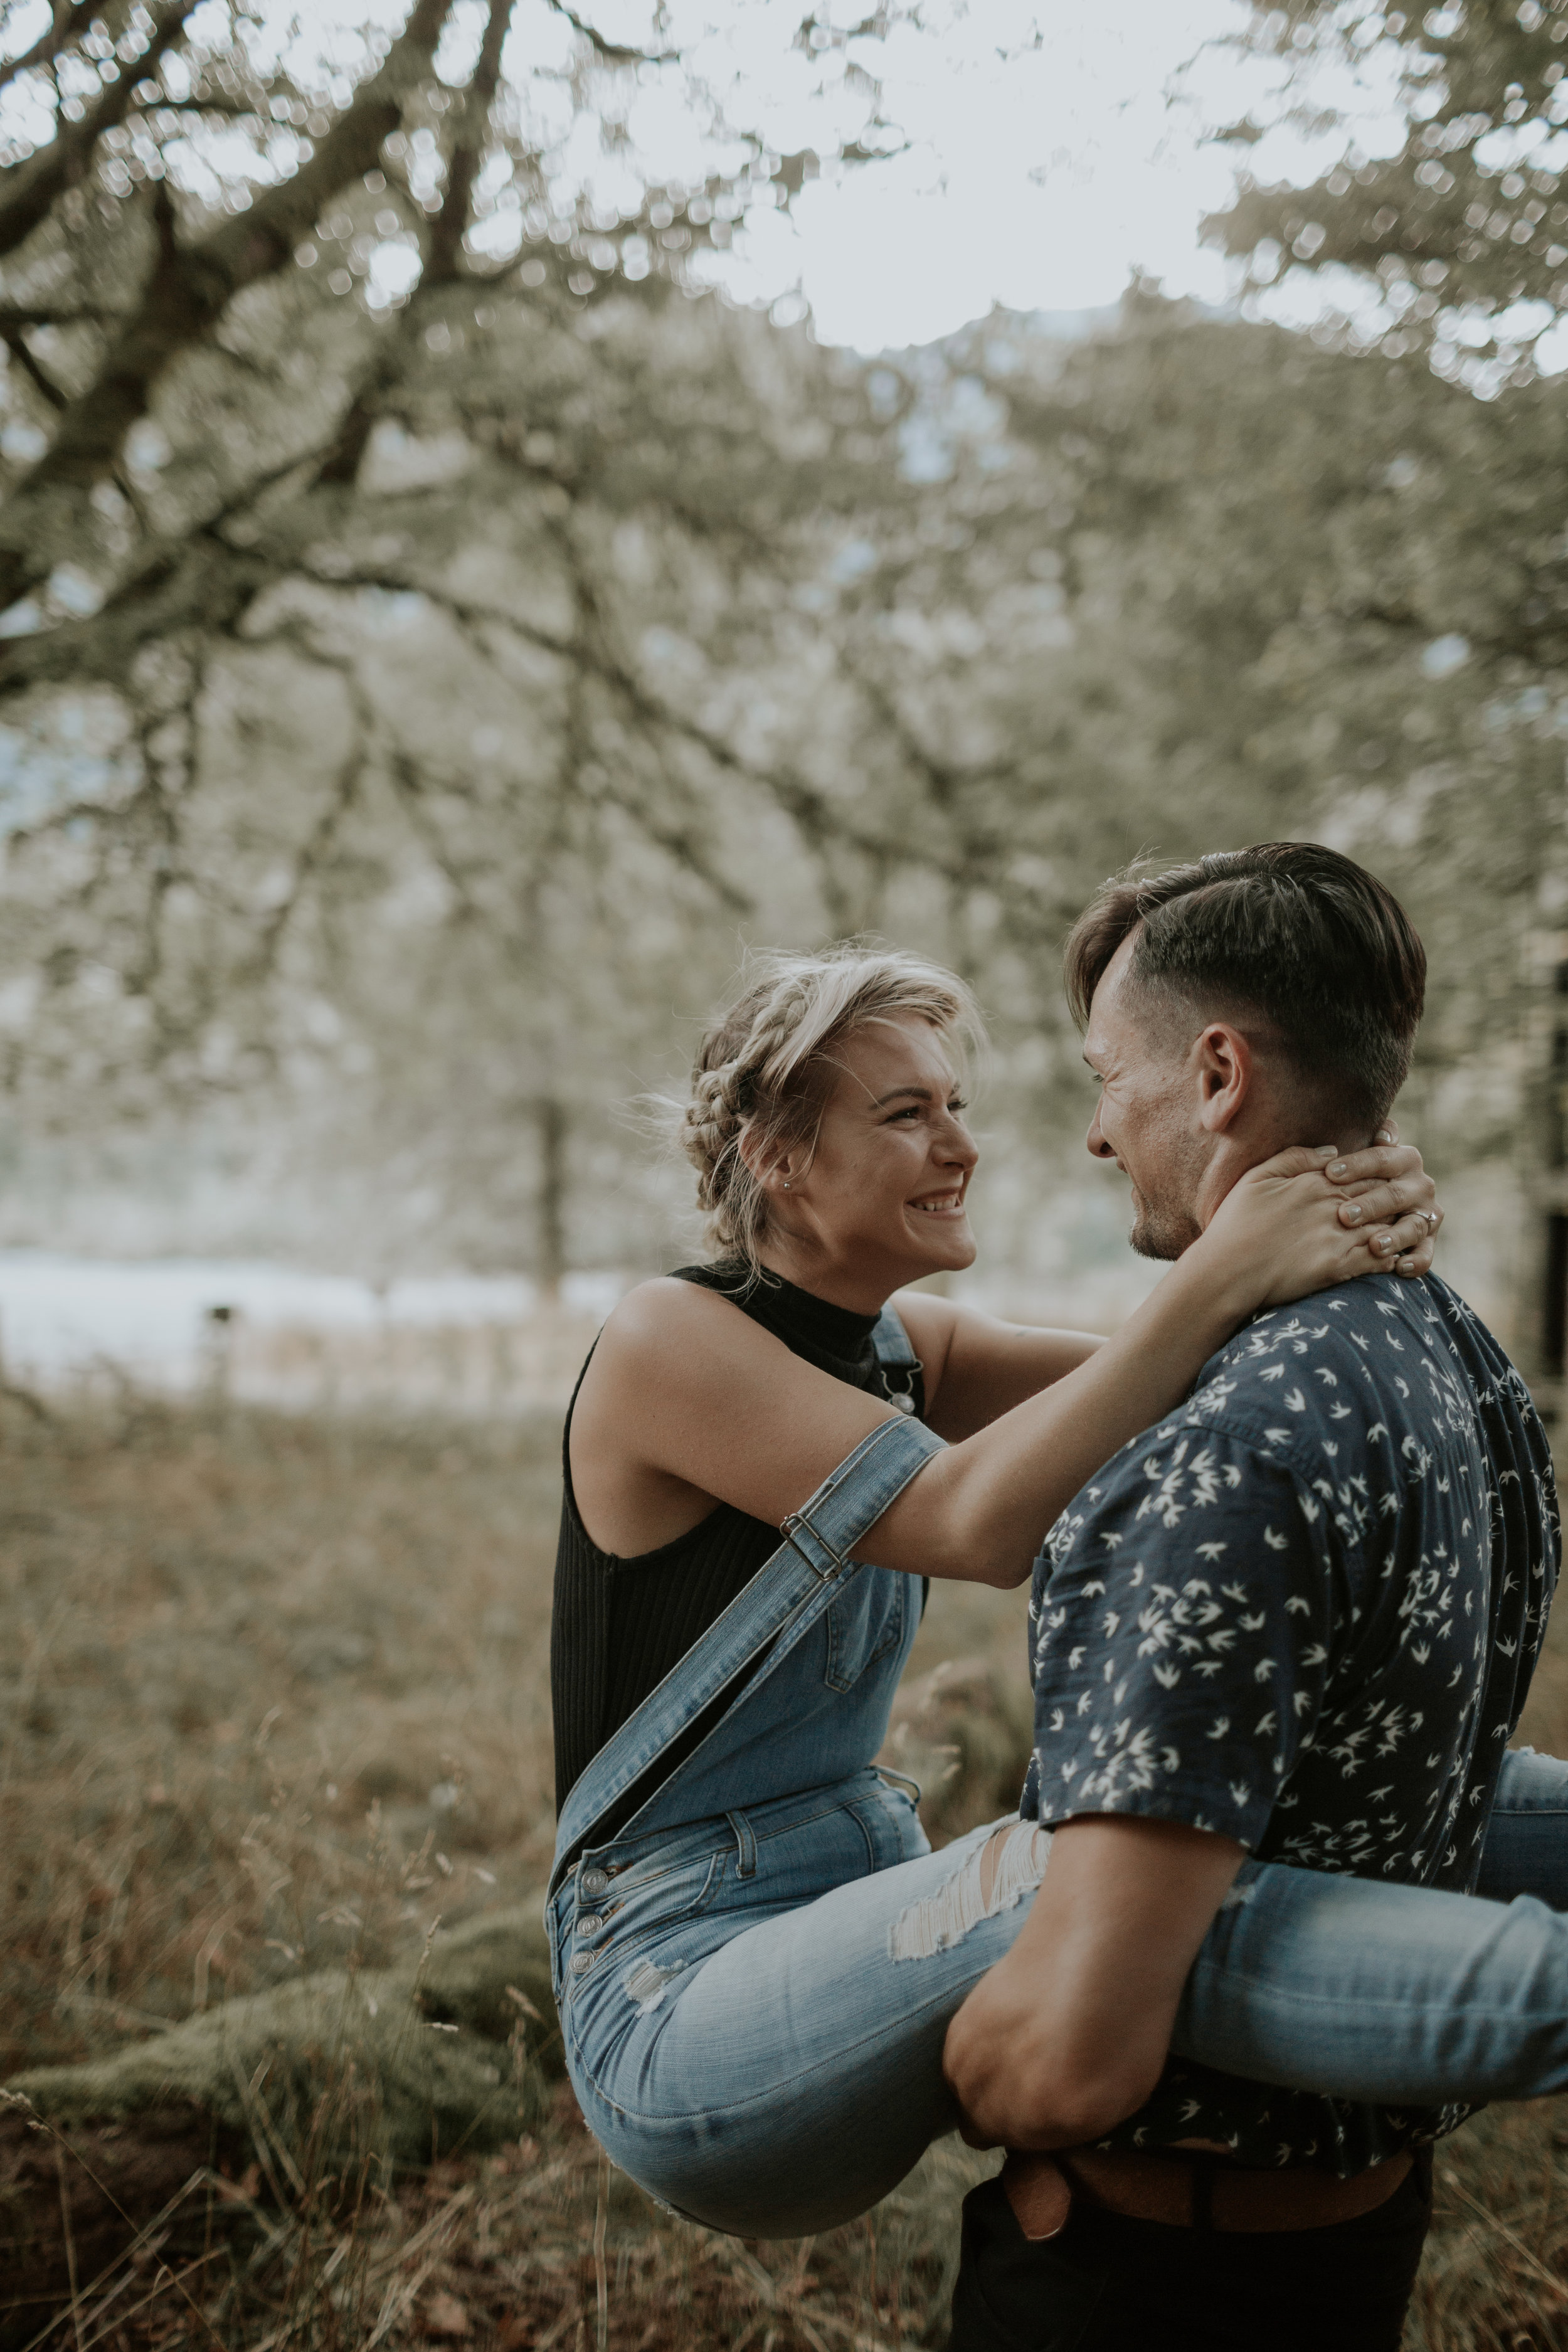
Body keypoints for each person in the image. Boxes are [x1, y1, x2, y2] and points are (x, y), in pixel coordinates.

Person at [546, 901, 1567, 2243]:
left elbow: (1206, 1396)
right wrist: (1218, 1273)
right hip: (679, 1998)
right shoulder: (664, 1342)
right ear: (778, 1157)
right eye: (906, 1114)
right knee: (1078, 1879)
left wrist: (1334, 1199)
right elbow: (972, 1518)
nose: (963, 1146)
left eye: (954, 1104)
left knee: (1376, 1777)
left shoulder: (905, 1343)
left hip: (850, 1918)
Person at [940, 845, 1559, 2351]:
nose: (1096, 1134)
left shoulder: (1225, 1456)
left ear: (1216, 1072)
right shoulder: (1458, 1366)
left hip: (1145, 2282)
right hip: (1354, 2238)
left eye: (1108, 1078)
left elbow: (1067, 2059)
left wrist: (931, 2049)